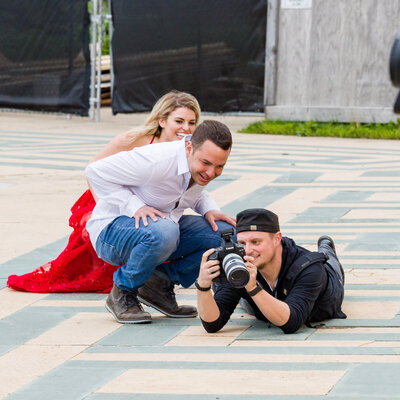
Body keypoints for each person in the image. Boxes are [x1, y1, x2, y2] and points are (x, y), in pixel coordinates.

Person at [7, 91, 201, 294]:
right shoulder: (135, 139)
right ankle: (124, 288)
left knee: (162, 237)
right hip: (110, 198)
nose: (185, 128)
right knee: (83, 265)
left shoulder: (189, 149)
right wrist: (109, 206)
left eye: (191, 122)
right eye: (179, 121)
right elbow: (93, 168)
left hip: (149, 208)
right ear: (162, 120)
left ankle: (150, 281)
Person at [85, 119, 236, 324]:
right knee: (165, 231)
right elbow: (94, 171)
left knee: (227, 236)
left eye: (220, 166)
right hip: (112, 232)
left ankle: (157, 286)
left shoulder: (195, 163)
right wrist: (134, 205)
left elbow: (190, 190)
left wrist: (209, 209)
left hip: (161, 229)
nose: (211, 173)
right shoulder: (155, 160)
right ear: (189, 146)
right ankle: (122, 293)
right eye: (206, 163)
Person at [196, 208, 346, 334]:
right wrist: (202, 286)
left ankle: (326, 246)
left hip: (326, 291)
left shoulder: (309, 267)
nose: (248, 250)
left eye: (256, 242)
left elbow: (291, 323)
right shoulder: (239, 262)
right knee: (233, 288)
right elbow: (212, 324)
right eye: (242, 243)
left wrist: (252, 287)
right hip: (265, 304)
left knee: (328, 261)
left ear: (277, 239)